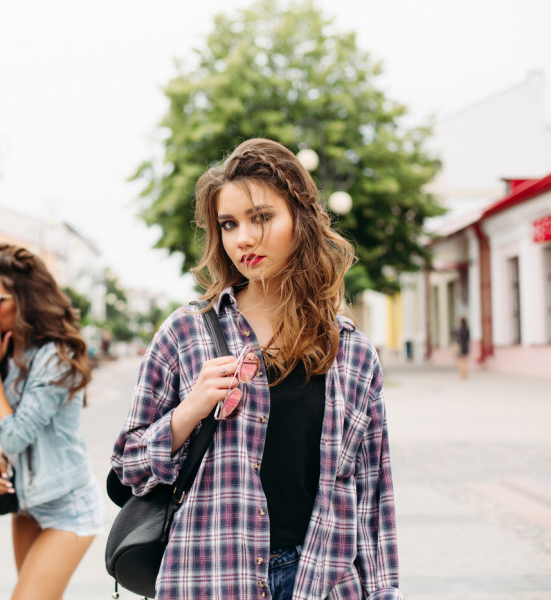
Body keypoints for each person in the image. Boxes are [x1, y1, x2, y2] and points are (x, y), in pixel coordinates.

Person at [111, 138, 403, 599]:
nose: (243, 238)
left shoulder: (353, 352)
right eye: (229, 224)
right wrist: (189, 411)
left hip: (322, 582)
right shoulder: (186, 333)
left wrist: (384, 592)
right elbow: (128, 467)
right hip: (210, 577)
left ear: (300, 221)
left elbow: (372, 497)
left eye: (261, 217)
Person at [0, 243, 102, 600]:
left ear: (24, 301)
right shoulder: (12, 350)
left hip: (68, 505)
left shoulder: (56, 356)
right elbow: (15, 435)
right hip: (29, 502)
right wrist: (2, 459)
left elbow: (15, 435)